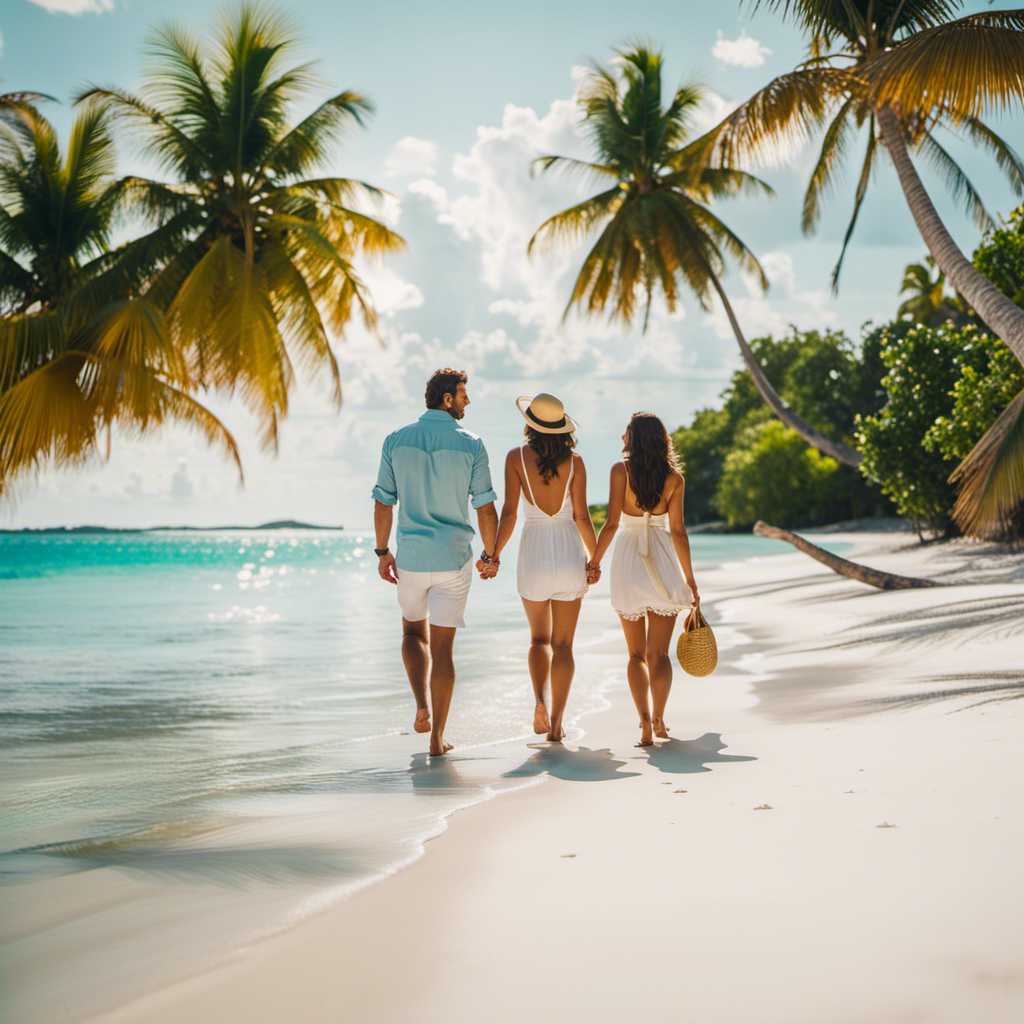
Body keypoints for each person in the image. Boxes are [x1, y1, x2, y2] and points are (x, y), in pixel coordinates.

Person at [372, 368, 498, 756]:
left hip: (410, 557)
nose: (467, 401)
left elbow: (382, 501)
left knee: (412, 634)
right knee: (443, 650)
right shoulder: (472, 444)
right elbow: (486, 507)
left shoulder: (396, 440)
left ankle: (421, 707)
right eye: (463, 394)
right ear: (447, 399)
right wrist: (490, 556)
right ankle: (437, 738)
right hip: (453, 558)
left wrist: (382, 552)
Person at [486, 393, 599, 743]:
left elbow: (509, 513)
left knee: (538, 639)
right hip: (567, 551)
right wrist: (594, 560)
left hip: (533, 553)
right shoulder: (576, 463)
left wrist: (492, 555)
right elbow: (581, 516)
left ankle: (538, 699)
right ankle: (556, 724)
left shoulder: (515, 458)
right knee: (563, 645)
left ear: (530, 425)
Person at [588, 412, 699, 747]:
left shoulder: (619, 471)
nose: (622, 438)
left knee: (635, 655)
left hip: (627, 560)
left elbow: (609, 524)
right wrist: (690, 579)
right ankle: (660, 719)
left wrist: (594, 561)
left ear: (635, 438)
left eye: (626, 432)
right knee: (659, 655)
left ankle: (644, 727)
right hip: (662, 560)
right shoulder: (674, 479)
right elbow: (678, 531)